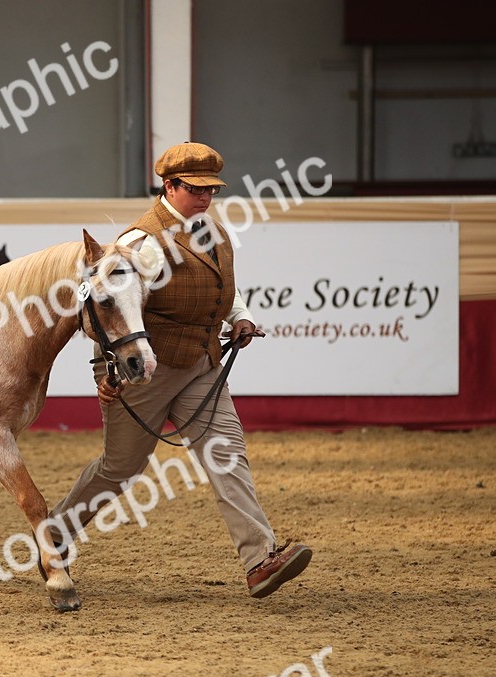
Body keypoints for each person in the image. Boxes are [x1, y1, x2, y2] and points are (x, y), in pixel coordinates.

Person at [49, 141, 312, 599]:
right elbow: (109, 312)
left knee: (226, 454)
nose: (206, 198)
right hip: (145, 371)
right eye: (196, 189)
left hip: (202, 365)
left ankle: (259, 561)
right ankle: (54, 534)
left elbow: (225, 289)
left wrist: (239, 318)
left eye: (212, 189)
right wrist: (103, 373)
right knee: (120, 469)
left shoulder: (212, 231)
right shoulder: (138, 243)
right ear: (169, 186)